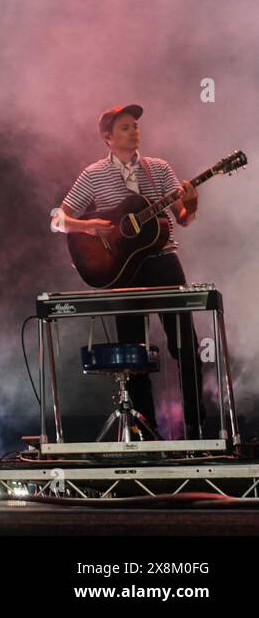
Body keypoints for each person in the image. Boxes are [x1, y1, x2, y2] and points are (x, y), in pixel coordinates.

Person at [53, 104, 205, 440]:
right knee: (132, 354)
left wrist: (191, 202)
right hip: (122, 272)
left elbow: (182, 217)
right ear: (107, 137)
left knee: (186, 346)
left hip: (164, 262)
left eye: (135, 125)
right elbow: (57, 219)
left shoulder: (159, 168)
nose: (134, 131)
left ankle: (198, 426)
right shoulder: (92, 175)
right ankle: (146, 433)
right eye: (124, 127)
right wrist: (88, 226)